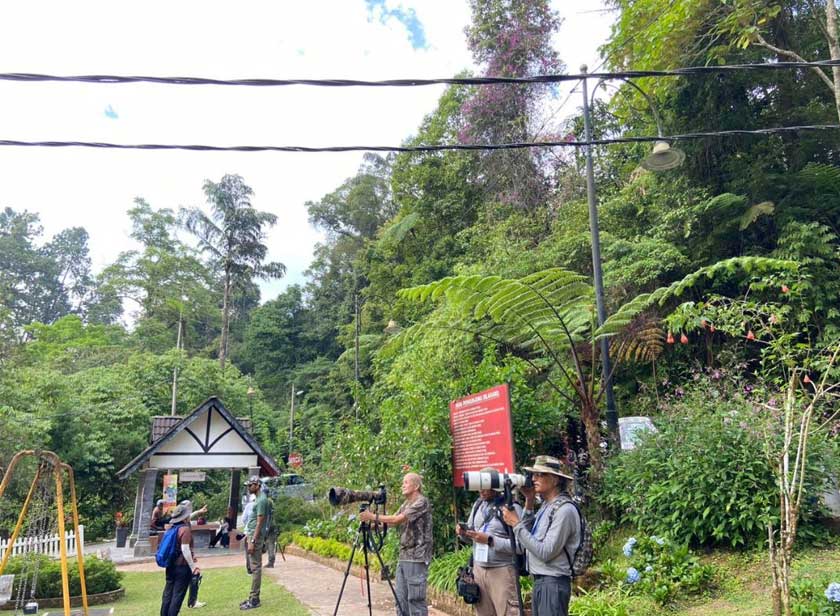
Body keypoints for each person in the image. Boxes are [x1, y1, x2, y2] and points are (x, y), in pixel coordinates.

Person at [502, 456, 581, 616]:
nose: (534, 478)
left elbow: (546, 552)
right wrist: (529, 501)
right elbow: (526, 541)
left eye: (540, 474)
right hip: (541, 581)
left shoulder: (564, 510)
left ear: (555, 480)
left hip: (553, 583)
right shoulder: (547, 506)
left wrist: (516, 524)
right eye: (533, 474)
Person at [359, 472, 432, 616]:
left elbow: (397, 519)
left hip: (417, 557)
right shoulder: (406, 503)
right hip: (404, 556)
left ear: (416, 486)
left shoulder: (421, 502)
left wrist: (372, 516)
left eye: (406, 482)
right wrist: (372, 526)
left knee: (415, 601)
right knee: (400, 600)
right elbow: (391, 523)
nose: (402, 486)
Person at [455, 467, 523, 615]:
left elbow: (521, 546)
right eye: (479, 486)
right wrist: (463, 533)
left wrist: (491, 541)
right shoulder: (478, 505)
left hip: (502, 571)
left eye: (484, 486)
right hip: (479, 570)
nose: (481, 490)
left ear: (495, 485)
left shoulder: (511, 506)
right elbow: (471, 536)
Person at [159, 502, 200, 616]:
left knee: (168, 594)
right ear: (185, 517)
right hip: (182, 567)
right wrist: (193, 567)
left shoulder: (172, 528)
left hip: (170, 565)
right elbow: (185, 549)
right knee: (178, 595)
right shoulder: (185, 529)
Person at [240, 476, 272, 610]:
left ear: (257, 485)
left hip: (256, 538)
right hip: (253, 536)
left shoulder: (262, 501)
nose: (248, 488)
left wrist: (253, 540)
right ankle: (253, 597)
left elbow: (260, 523)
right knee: (254, 567)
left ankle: (254, 599)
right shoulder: (259, 499)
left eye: (250, 485)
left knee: (255, 568)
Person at [262, 484, 278, 568]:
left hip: (267, 525)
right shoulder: (271, 501)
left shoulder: (264, 501)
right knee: (270, 542)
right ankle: (271, 560)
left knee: (270, 543)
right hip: (272, 524)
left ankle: (271, 561)